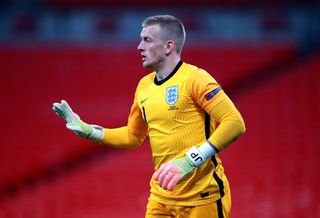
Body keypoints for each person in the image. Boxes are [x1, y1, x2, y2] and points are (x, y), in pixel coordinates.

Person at [53, 15, 245, 218]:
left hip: (203, 196)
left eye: (147, 40)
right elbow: (133, 136)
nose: (139, 47)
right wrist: (90, 131)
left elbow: (234, 123)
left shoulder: (195, 79)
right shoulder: (144, 86)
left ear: (168, 46)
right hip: (161, 197)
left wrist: (189, 161)